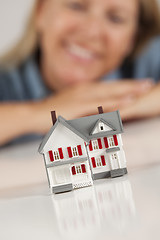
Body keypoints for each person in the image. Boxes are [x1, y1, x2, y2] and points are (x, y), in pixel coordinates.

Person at [0, 0, 160, 146]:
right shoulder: (5, 81)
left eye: (115, 18)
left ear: (132, 40)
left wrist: (119, 109)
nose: (92, 31)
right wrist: (39, 113)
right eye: (76, 6)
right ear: (41, 12)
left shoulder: (144, 62)